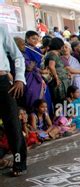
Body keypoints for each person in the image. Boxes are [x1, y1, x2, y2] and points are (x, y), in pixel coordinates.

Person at [0, 26, 28, 176]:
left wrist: (19, 78)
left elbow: (17, 56)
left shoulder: (1, 28)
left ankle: (19, 162)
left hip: (3, 82)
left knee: (12, 123)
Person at [22, 31, 54, 115]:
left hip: (41, 76)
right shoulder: (25, 49)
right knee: (33, 96)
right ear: (27, 38)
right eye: (33, 38)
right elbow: (28, 65)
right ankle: (35, 120)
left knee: (46, 97)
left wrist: (44, 70)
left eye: (37, 39)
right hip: (31, 77)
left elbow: (41, 62)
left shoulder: (37, 49)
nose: (35, 41)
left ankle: (46, 119)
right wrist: (40, 70)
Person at [62, 42, 80, 118]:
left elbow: (77, 69)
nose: (64, 49)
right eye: (63, 47)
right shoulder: (61, 59)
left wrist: (74, 74)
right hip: (66, 80)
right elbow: (67, 69)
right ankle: (72, 117)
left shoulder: (74, 59)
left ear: (70, 49)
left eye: (66, 47)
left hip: (77, 79)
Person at [45, 37, 70, 106]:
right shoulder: (52, 54)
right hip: (58, 82)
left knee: (62, 102)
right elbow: (51, 66)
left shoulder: (55, 54)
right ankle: (60, 116)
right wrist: (56, 78)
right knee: (60, 102)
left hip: (61, 81)